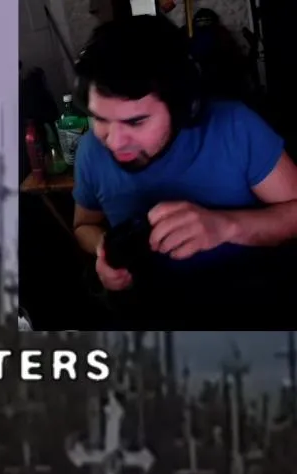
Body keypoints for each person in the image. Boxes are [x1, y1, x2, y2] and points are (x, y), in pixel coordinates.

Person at [71, 14, 297, 327]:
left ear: (182, 105)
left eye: (136, 121)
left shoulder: (236, 127)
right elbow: (84, 224)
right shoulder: (91, 151)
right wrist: (104, 251)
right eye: (100, 119)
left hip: (249, 307)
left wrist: (226, 226)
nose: (114, 141)